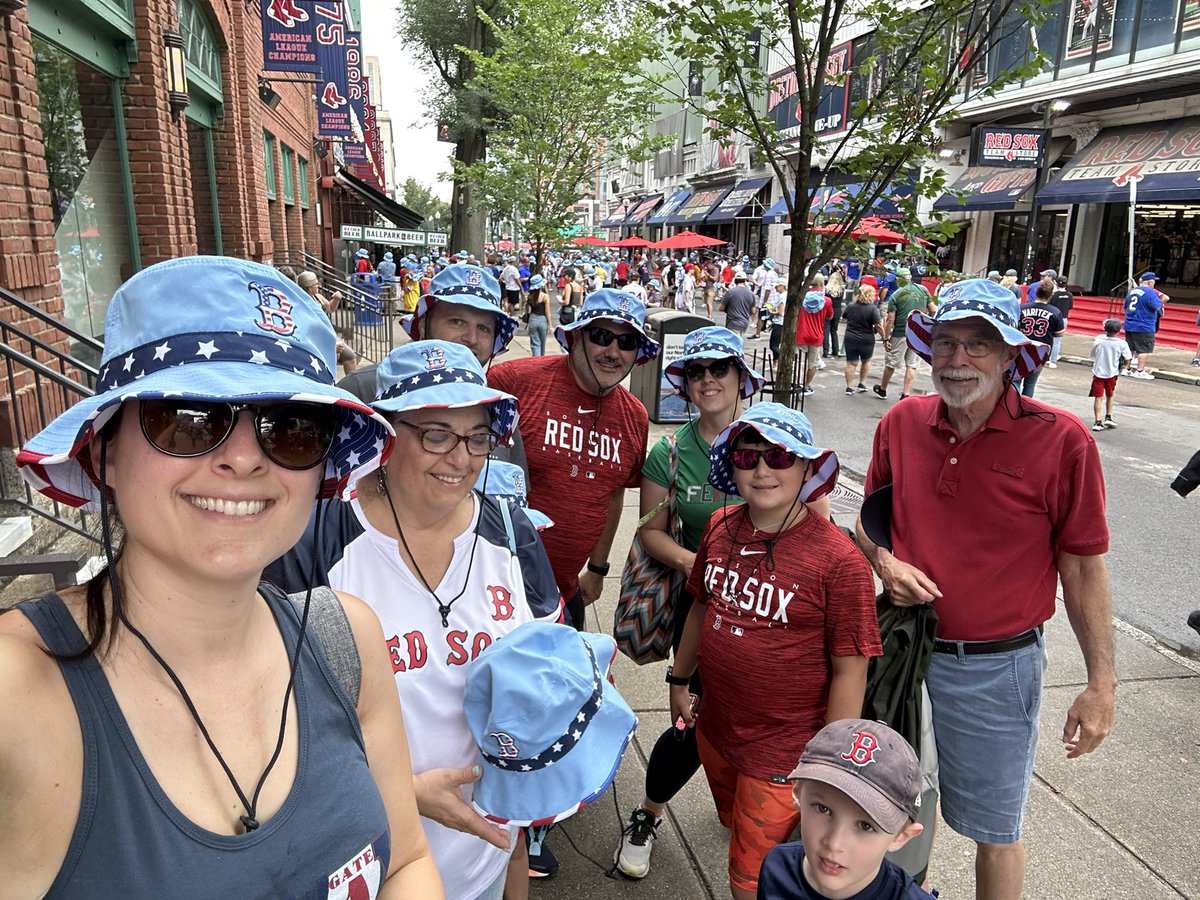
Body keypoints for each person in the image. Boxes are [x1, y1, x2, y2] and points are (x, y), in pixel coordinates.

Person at [3, 256, 442, 897]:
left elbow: (405, 861)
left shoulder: (345, 639)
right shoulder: (20, 694)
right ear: (106, 453)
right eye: (187, 418)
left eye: (288, 427)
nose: (242, 458)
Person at [856, 278, 1117, 900]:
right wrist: (885, 563)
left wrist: (1101, 684)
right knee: (880, 806)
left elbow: (1082, 568)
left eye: (979, 344)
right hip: (898, 651)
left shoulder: (1061, 439)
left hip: (996, 670)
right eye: (945, 344)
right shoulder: (901, 421)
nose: (958, 360)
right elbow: (869, 523)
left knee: (994, 830)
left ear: (1009, 356)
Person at [275, 340, 562, 900]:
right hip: (366, 865)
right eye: (436, 434)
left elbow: (539, 689)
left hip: (487, 859)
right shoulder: (316, 543)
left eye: (478, 436)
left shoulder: (510, 530)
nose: (461, 458)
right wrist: (401, 792)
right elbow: (273, 730)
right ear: (385, 431)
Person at [670, 403, 881, 900]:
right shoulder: (721, 527)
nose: (762, 469)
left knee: (754, 878)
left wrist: (832, 768)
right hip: (717, 729)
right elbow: (701, 607)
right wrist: (680, 680)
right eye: (748, 458)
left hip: (786, 750)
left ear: (807, 467)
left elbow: (851, 669)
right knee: (734, 822)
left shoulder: (839, 561)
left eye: (780, 456)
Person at [613, 328, 769, 879]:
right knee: (691, 720)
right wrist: (693, 562)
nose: (708, 380)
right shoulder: (671, 451)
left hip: (770, 611)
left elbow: (813, 517)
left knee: (763, 720)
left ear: (740, 377)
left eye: (719, 369)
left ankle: (750, 811)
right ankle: (648, 814)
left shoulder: (770, 437)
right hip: (702, 607)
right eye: (697, 371)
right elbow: (649, 530)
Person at [489, 289, 656, 631]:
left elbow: (613, 494)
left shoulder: (635, 416)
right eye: (601, 336)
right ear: (577, 336)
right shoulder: (513, 383)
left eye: (626, 342)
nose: (613, 352)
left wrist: (597, 569)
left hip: (566, 592)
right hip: (495, 593)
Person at [337, 263, 528, 474]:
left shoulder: (500, 409)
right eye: (457, 321)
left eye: (483, 328)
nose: (471, 339)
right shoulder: (359, 391)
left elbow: (514, 491)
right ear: (423, 325)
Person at [757, 719, 933, 900]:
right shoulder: (776, 866)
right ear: (797, 792)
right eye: (823, 809)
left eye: (866, 826)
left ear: (901, 836)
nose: (834, 843)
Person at [875, 271, 930, 401]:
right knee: (912, 364)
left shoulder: (897, 294)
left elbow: (890, 319)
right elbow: (933, 309)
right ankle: (905, 394)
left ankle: (883, 389)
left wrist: (886, 338)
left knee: (891, 362)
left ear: (899, 280)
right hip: (918, 333)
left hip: (900, 332)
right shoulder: (923, 290)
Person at [296, 270, 358, 375]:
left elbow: (330, 308)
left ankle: (352, 385)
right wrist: (330, 346)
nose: (318, 285)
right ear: (309, 288)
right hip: (316, 339)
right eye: (316, 284)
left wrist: (337, 299)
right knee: (332, 360)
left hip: (328, 335)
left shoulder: (317, 296)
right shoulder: (301, 304)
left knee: (350, 356)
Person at [1016, 282, 1065, 398]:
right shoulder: (1055, 312)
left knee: (1016, 379)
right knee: (1030, 384)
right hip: (1041, 351)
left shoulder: (1022, 308)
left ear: (1036, 293)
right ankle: (1025, 407)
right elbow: (1059, 333)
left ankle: (1013, 404)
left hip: (1022, 347)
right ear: (1050, 295)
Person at [1123, 271, 1168, 379]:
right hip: (1144, 325)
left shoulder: (1132, 291)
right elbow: (1157, 306)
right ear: (1150, 282)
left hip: (1130, 323)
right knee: (1144, 349)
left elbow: (1125, 306)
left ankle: (1126, 368)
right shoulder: (1150, 292)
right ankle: (1140, 370)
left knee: (1130, 348)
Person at [1089, 318, 1131, 431]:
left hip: (1098, 372)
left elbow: (1093, 354)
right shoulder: (1122, 343)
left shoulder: (1098, 341)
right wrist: (1124, 366)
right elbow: (1128, 358)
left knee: (1098, 397)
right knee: (1110, 394)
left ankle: (1098, 421)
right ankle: (1109, 416)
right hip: (1112, 372)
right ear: (1119, 331)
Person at [842, 283, 883, 396]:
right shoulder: (872, 309)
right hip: (867, 338)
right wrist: (885, 338)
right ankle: (862, 383)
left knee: (851, 363)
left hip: (851, 337)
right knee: (866, 361)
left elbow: (844, 316)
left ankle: (849, 387)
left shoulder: (851, 306)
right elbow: (878, 325)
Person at [796, 274, 833, 397]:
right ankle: (806, 386)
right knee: (812, 364)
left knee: (798, 362)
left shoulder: (801, 298)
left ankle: (797, 384)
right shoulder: (826, 301)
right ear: (822, 284)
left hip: (801, 334)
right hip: (816, 335)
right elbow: (830, 316)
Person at [720, 272, 758, 336]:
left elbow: (721, 308)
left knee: (733, 343)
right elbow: (753, 311)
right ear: (745, 281)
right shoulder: (751, 294)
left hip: (732, 323)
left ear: (735, 280)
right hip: (744, 323)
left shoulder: (731, 292)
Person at [1048, 275, 1074, 367]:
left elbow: (1050, 306)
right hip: (1064, 318)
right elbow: (1070, 306)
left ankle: (1049, 357)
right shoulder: (1069, 295)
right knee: (1057, 340)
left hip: (1054, 317)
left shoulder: (1055, 295)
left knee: (1050, 338)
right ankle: (1053, 360)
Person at [525, 273, 550, 357]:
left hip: (532, 319)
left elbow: (528, 310)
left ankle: (536, 359)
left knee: (535, 343)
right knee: (542, 344)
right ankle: (541, 360)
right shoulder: (545, 296)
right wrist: (550, 325)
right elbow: (547, 312)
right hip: (543, 320)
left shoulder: (530, 296)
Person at [823, 267, 846, 359]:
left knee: (826, 330)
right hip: (837, 310)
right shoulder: (842, 290)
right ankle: (835, 350)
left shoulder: (826, 289)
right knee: (834, 330)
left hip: (827, 310)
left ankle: (825, 350)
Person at [766, 279, 788, 360]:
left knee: (773, 345)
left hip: (779, 322)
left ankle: (784, 359)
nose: (775, 288)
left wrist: (771, 312)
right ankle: (776, 362)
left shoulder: (782, 296)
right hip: (781, 322)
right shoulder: (784, 295)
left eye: (777, 286)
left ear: (782, 286)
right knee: (776, 344)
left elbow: (780, 312)